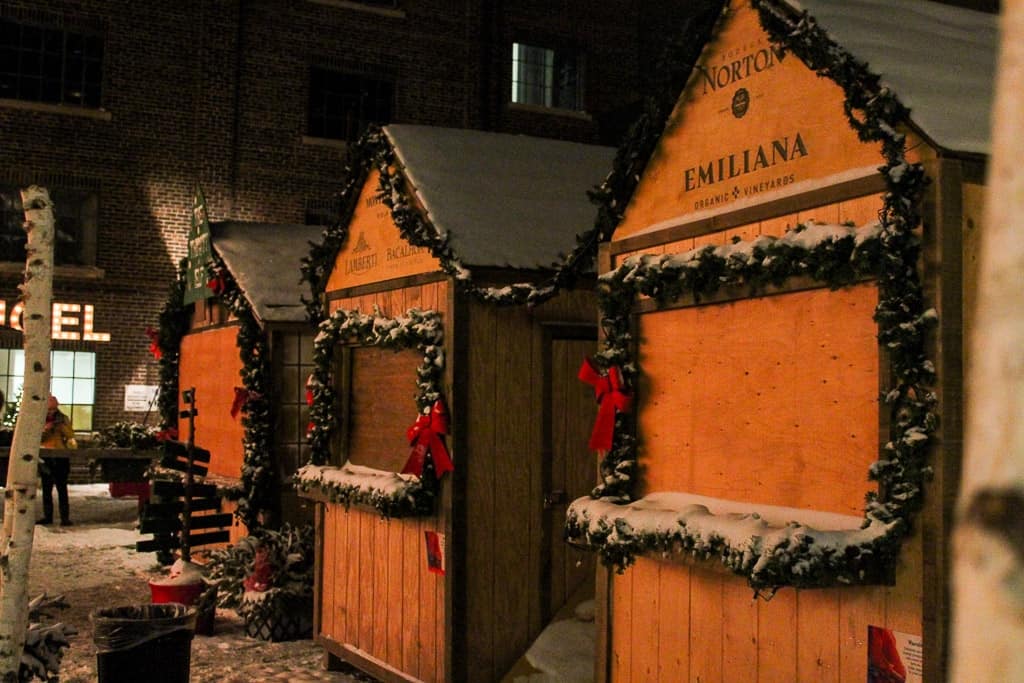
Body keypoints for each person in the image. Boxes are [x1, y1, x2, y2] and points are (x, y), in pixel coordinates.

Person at [39, 396, 76, 526]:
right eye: (49, 410)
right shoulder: (39, 419)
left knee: (62, 488)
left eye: (53, 409)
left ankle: (64, 517)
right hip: (46, 456)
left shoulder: (63, 419)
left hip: (60, 456)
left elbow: (71, 435)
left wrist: (62, 428)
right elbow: (37, 438)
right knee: (46, 488)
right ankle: (48, 516)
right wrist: (45, 429)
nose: (51, 412)